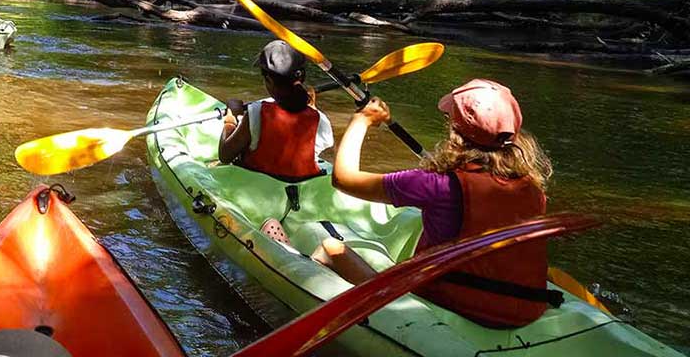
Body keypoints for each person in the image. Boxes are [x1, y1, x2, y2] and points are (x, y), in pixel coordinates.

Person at [311, 78, 556, 328]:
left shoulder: (437, 184)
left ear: (455, 130)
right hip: (524, 310)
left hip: (454, 302)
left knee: (331, 248)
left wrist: (361, 120)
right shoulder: (532, 189)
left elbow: (343, 179)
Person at [218, 41, 334, 182]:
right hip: (300, 190)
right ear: (301, 78)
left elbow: (225, 155)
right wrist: (312, 108)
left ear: (269, 80)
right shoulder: (320, 120)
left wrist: (231, 117)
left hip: (259, 189)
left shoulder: (256, 112)